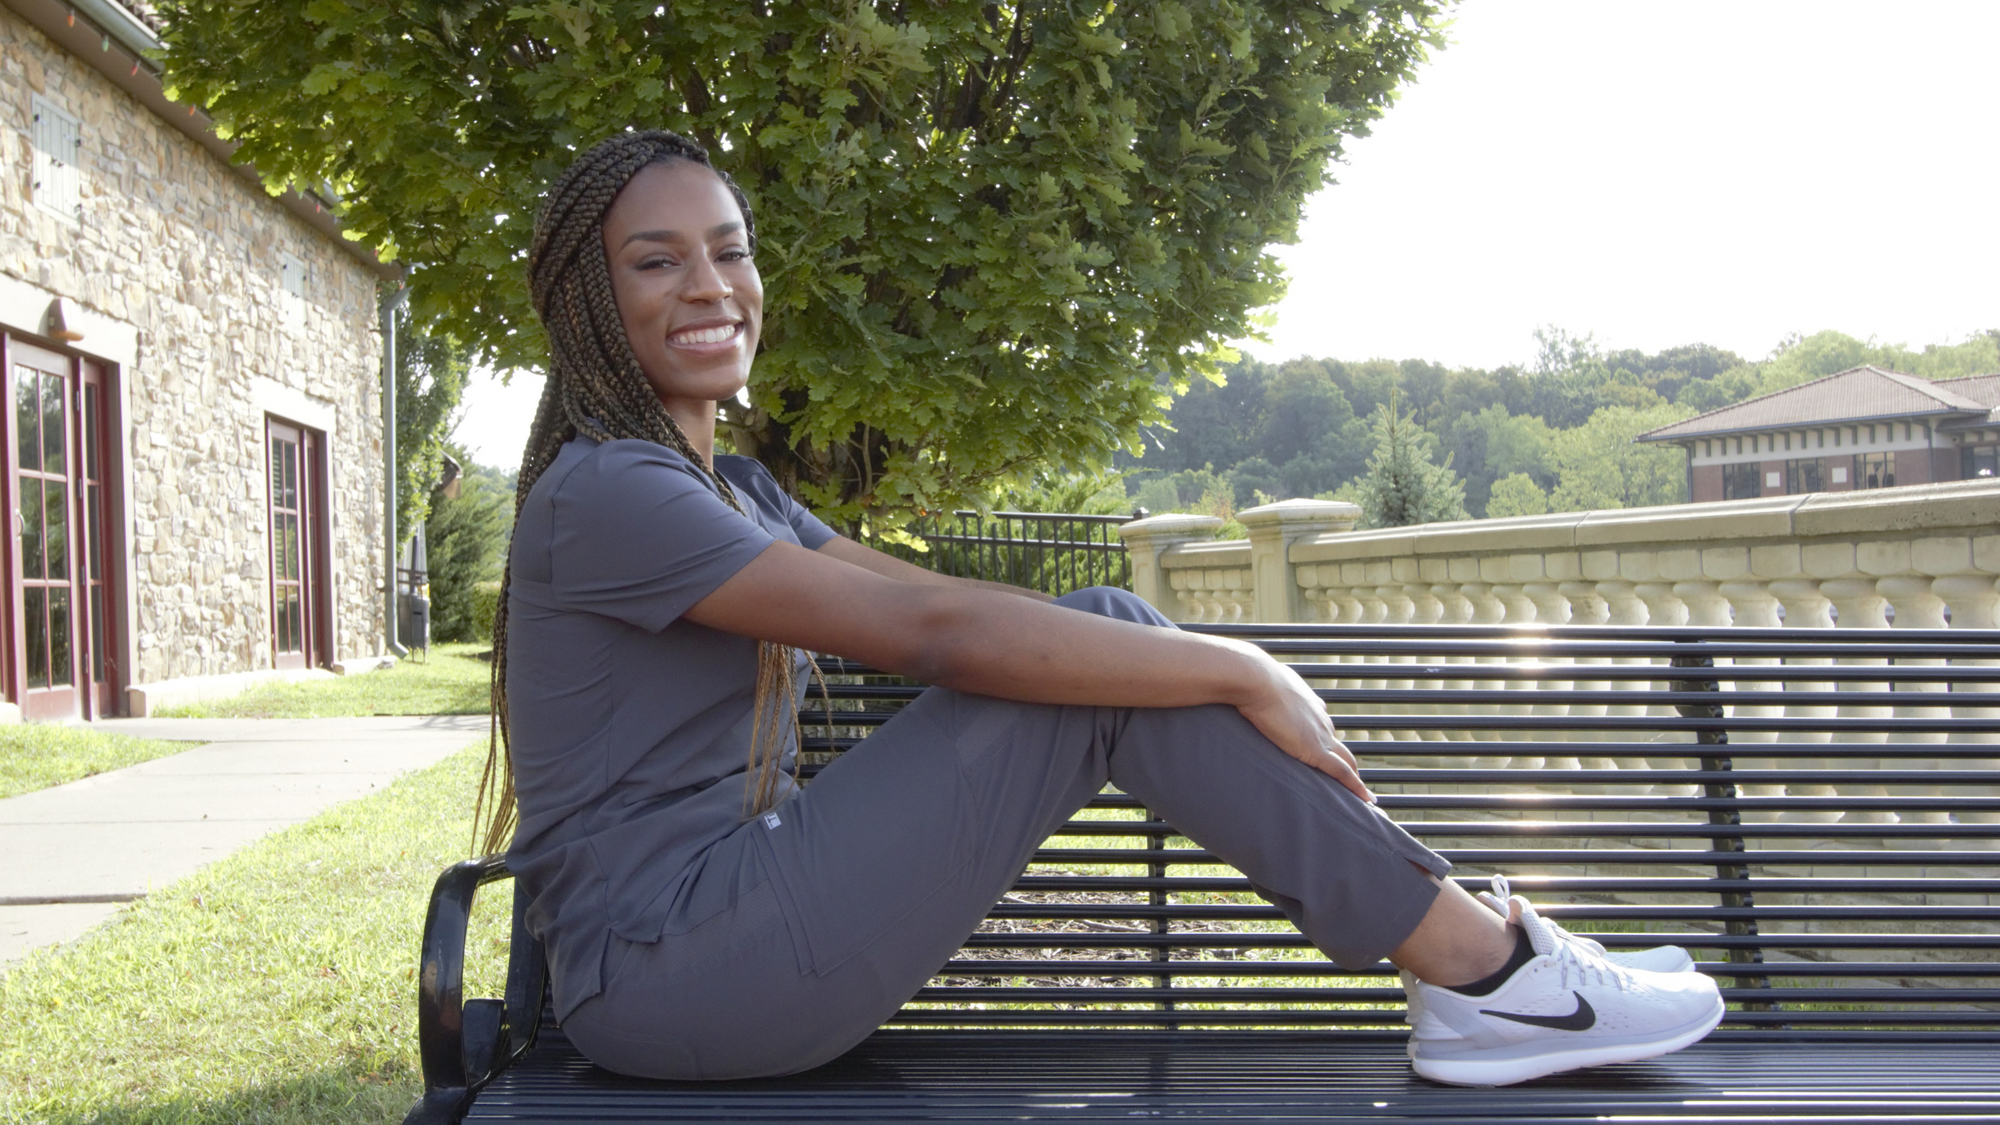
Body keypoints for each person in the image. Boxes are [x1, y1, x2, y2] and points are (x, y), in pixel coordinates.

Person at [479, 129, 1723, 1089]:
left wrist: (1178, 649)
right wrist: (1236, 667)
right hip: (670, 972)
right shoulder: (606, 492)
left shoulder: (731, 489)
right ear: (587, 300)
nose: (710, 284)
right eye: (656, 260)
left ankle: (1479, 964)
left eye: (729, 248)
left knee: (1107, 625)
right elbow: (933, 642)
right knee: (1117, 654)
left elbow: (933, 593)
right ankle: (1486, 970)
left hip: (729, 933)